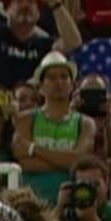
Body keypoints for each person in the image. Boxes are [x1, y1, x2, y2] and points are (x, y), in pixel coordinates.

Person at [14, 51, 94, 208]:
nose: (59, 82)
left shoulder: (85, 123)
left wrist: (33, 148)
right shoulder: (25, 119)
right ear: (41, 86)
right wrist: (66, 161)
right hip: (32, 202)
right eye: (51, 77)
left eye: (64, 77)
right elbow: (25, 162)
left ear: (72, 84)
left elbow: (79, 162)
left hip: (72, 202)